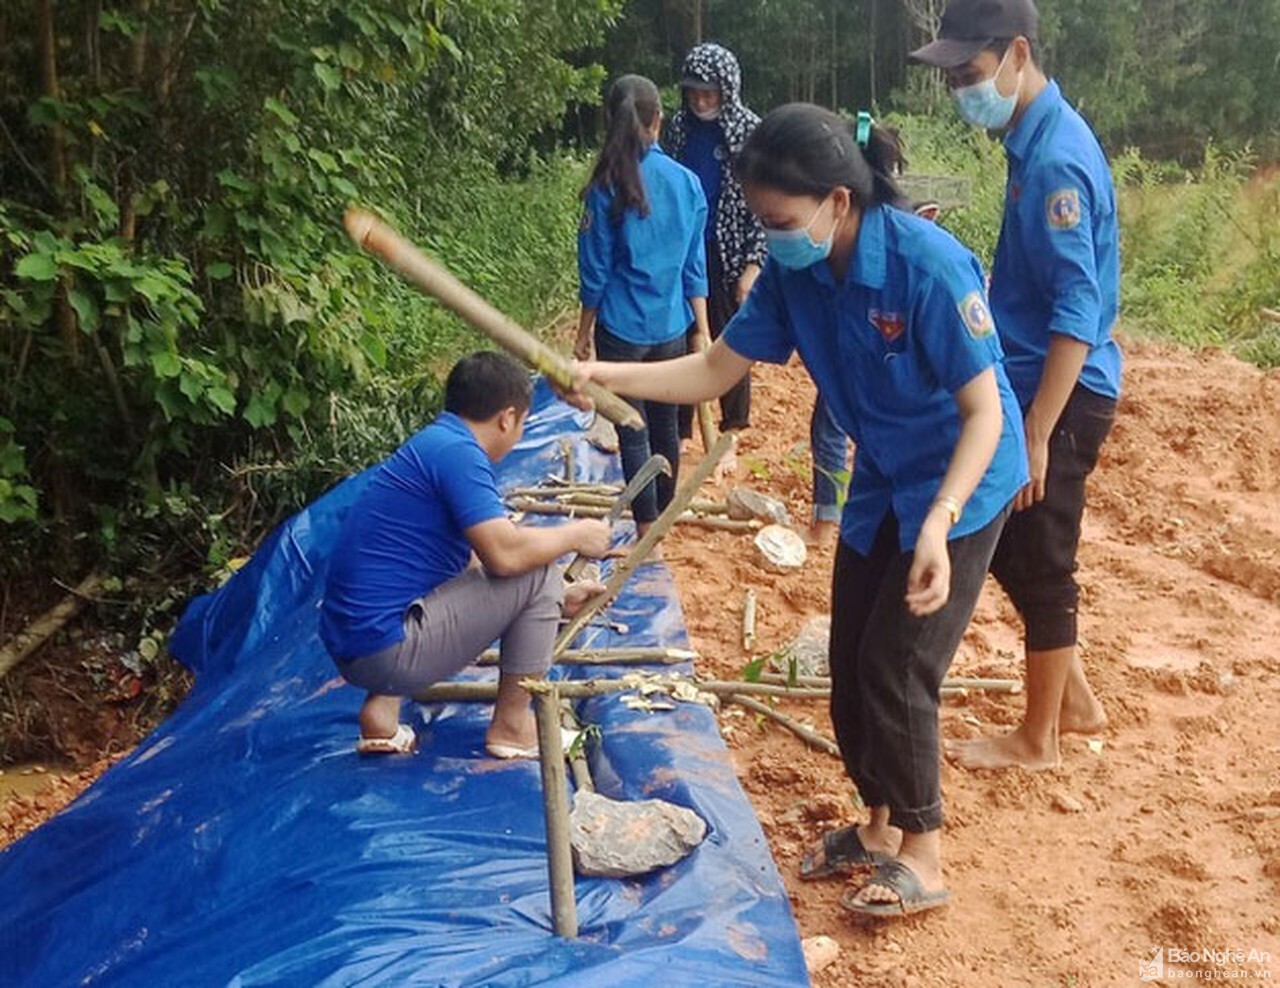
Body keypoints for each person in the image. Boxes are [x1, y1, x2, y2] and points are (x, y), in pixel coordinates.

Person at [566, 103, 1028, 918]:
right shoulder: (796, 273)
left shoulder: (928, 268)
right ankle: (879, 828)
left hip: (963, 480)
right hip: (886, 477)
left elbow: (985, 413)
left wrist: (940, 520)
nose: (775, 237)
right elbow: (712, 369)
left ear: (837, 202)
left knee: (898, 663)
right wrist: (608, 374)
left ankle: (925, 851)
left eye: (783, 221)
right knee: (850, 668)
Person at [911, 0, 1119, 771]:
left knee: (1041, 553)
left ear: (1018, 54)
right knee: (1008, 542)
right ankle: (1074, 698)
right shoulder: (1030, 142)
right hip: (1028, 381)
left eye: (971, 73)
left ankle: (1039, 740)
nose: (966, 90)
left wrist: (1036, 430)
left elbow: (1078, 307)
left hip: (1060, 393)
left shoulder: (1058, 159)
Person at [320, 352, 611, 758]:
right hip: (383, 651)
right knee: (539, 571)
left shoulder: (435, 442)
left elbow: (473, 564)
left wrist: (556, 601)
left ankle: (381, 715)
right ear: (508, 417)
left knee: (462, 569)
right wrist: (577, 534)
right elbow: (505, 557)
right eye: (524, 423)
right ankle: (512, 728)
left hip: (353, 642)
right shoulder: (460, 455)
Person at [575, 74, 711, 537]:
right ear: (658, 119)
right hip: (671, 326)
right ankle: (665, 518)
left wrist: (582, 333)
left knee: (632, 428)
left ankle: (646, 523)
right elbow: (695, 263)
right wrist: (701, 326)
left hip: (621, 329)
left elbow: (595, 272)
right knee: (666, 424)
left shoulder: (605, 186)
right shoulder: (687, 183)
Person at [665, 42, 768, 473]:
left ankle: (729, 434)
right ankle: (682, 430)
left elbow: (764, 204)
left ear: (728, 90)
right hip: (685, 248)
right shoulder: (677, 129)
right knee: (683, 337)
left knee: (729, 341)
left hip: (728, 253)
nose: (701, 102)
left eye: (709, 94)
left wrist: (753, 265)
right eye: (694, 94)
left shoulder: (751, 132)